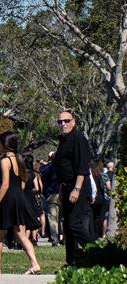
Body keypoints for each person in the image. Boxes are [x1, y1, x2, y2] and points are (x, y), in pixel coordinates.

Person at [0, 132, 41, 275]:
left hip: (8, 198)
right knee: (21, 234)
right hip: (19, 196)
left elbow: (5, 184)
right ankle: (34, 263)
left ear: (5, 145)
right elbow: (23, 182)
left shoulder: (5, 161)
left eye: (0, 144)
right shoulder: (20, 160)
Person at [54, 109, 95, 265]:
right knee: (67, 227)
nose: (63, 124)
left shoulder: (78, 138)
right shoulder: (63, 140)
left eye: (66, 121)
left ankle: (95, 252)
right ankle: (71, 261)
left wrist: (76, 189)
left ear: (73, 121)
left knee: (74, 224)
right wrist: (61, 189)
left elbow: (82, 168)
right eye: (60, 122)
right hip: (66, 187)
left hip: (77, 186)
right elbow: (62, 167)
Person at [40, 152, 61, 246]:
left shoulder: (49, 168)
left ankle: (55, 239)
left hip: (52, 195)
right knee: (62, 218)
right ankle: (63, 238)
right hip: (62, 193)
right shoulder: (63, 167)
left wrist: (46, 163)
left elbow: (42, 171)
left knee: (53, 218)